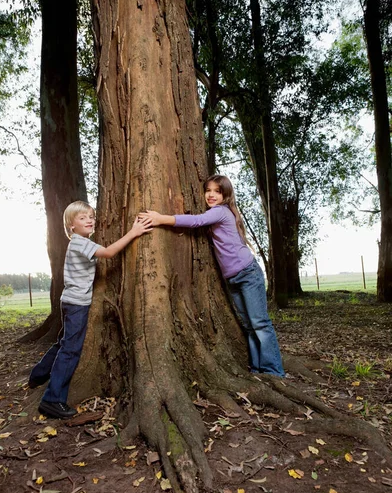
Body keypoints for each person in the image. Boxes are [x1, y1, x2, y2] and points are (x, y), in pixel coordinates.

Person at [139, 175, 284, 377]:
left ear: (225, 195)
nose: (211, 195)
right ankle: (258, 368)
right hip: (233, 278)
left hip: (247, 273)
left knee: (259, 323)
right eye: (208, 190)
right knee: (249, 326)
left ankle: (274, 371)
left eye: (217, 191)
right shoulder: (217, 214)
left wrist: (160, 219)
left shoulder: (221, 212)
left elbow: (197, 220)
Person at [29, 201, 152, 419]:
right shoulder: (80, 243)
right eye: (82, 218)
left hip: (69, 301)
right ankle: (52, 399)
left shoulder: (81, 243)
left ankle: (38, 374)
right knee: (71, 350)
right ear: (71, 225)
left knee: (63, 343)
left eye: (91, 217)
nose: (89, 220)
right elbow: (109, 252)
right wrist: (134, 232)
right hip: (77, 304)